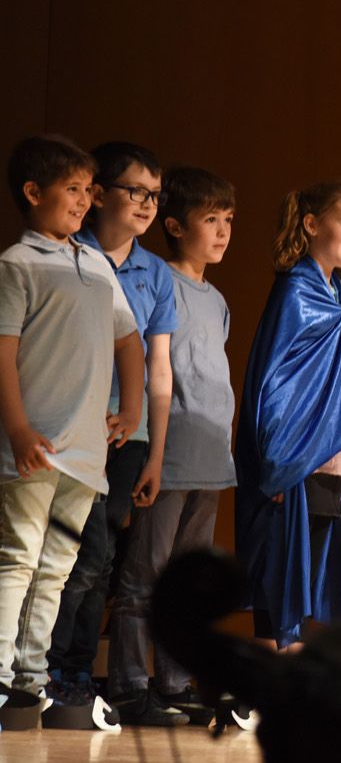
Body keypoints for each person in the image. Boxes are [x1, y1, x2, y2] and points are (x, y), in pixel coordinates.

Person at [0, 136, 143, 707]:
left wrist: (132, 410)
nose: (85, 199)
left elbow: (128, 340)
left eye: (89, 189)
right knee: (19, 557)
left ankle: (31, 677)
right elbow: (4, 350)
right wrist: (17, 427)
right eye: (73, 189)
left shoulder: (95, 263)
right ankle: (1, 673)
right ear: (34, 193)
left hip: (84, 455)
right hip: (35, 445)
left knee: (57, 565)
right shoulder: (17, 264)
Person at [46, 141, 184, 726]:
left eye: (155, 194)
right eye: (136, 191)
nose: (148, 203)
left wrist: (154, 452)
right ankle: (46, 671)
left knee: (101, 558)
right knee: (65, 554)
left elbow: (159, 367)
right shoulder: (67, 253)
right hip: (70, 426)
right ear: (99, 195)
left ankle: (77, 672)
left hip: (130, 436)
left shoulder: (155, 273)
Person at [235, 181, 341, 649]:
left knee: (312, 553)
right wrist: (277, 462)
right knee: (282, 557)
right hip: (293, 449)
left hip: (325, 447)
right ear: (311, 224)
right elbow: (272, 378)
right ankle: (274, 662)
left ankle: (292, 658)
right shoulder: (295, 291)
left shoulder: (336, 292)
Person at [105, 167, 239, 725]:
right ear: (177, 225)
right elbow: (152, 367)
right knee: (145, 575)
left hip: (211, 461)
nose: (223, 231)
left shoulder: (217, 299)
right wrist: (153, 452)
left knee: (187, 585)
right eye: (211, 219)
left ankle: (176, 680)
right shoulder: (158, 280)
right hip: (169, 454)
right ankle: (130, 683)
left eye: (228, 219)